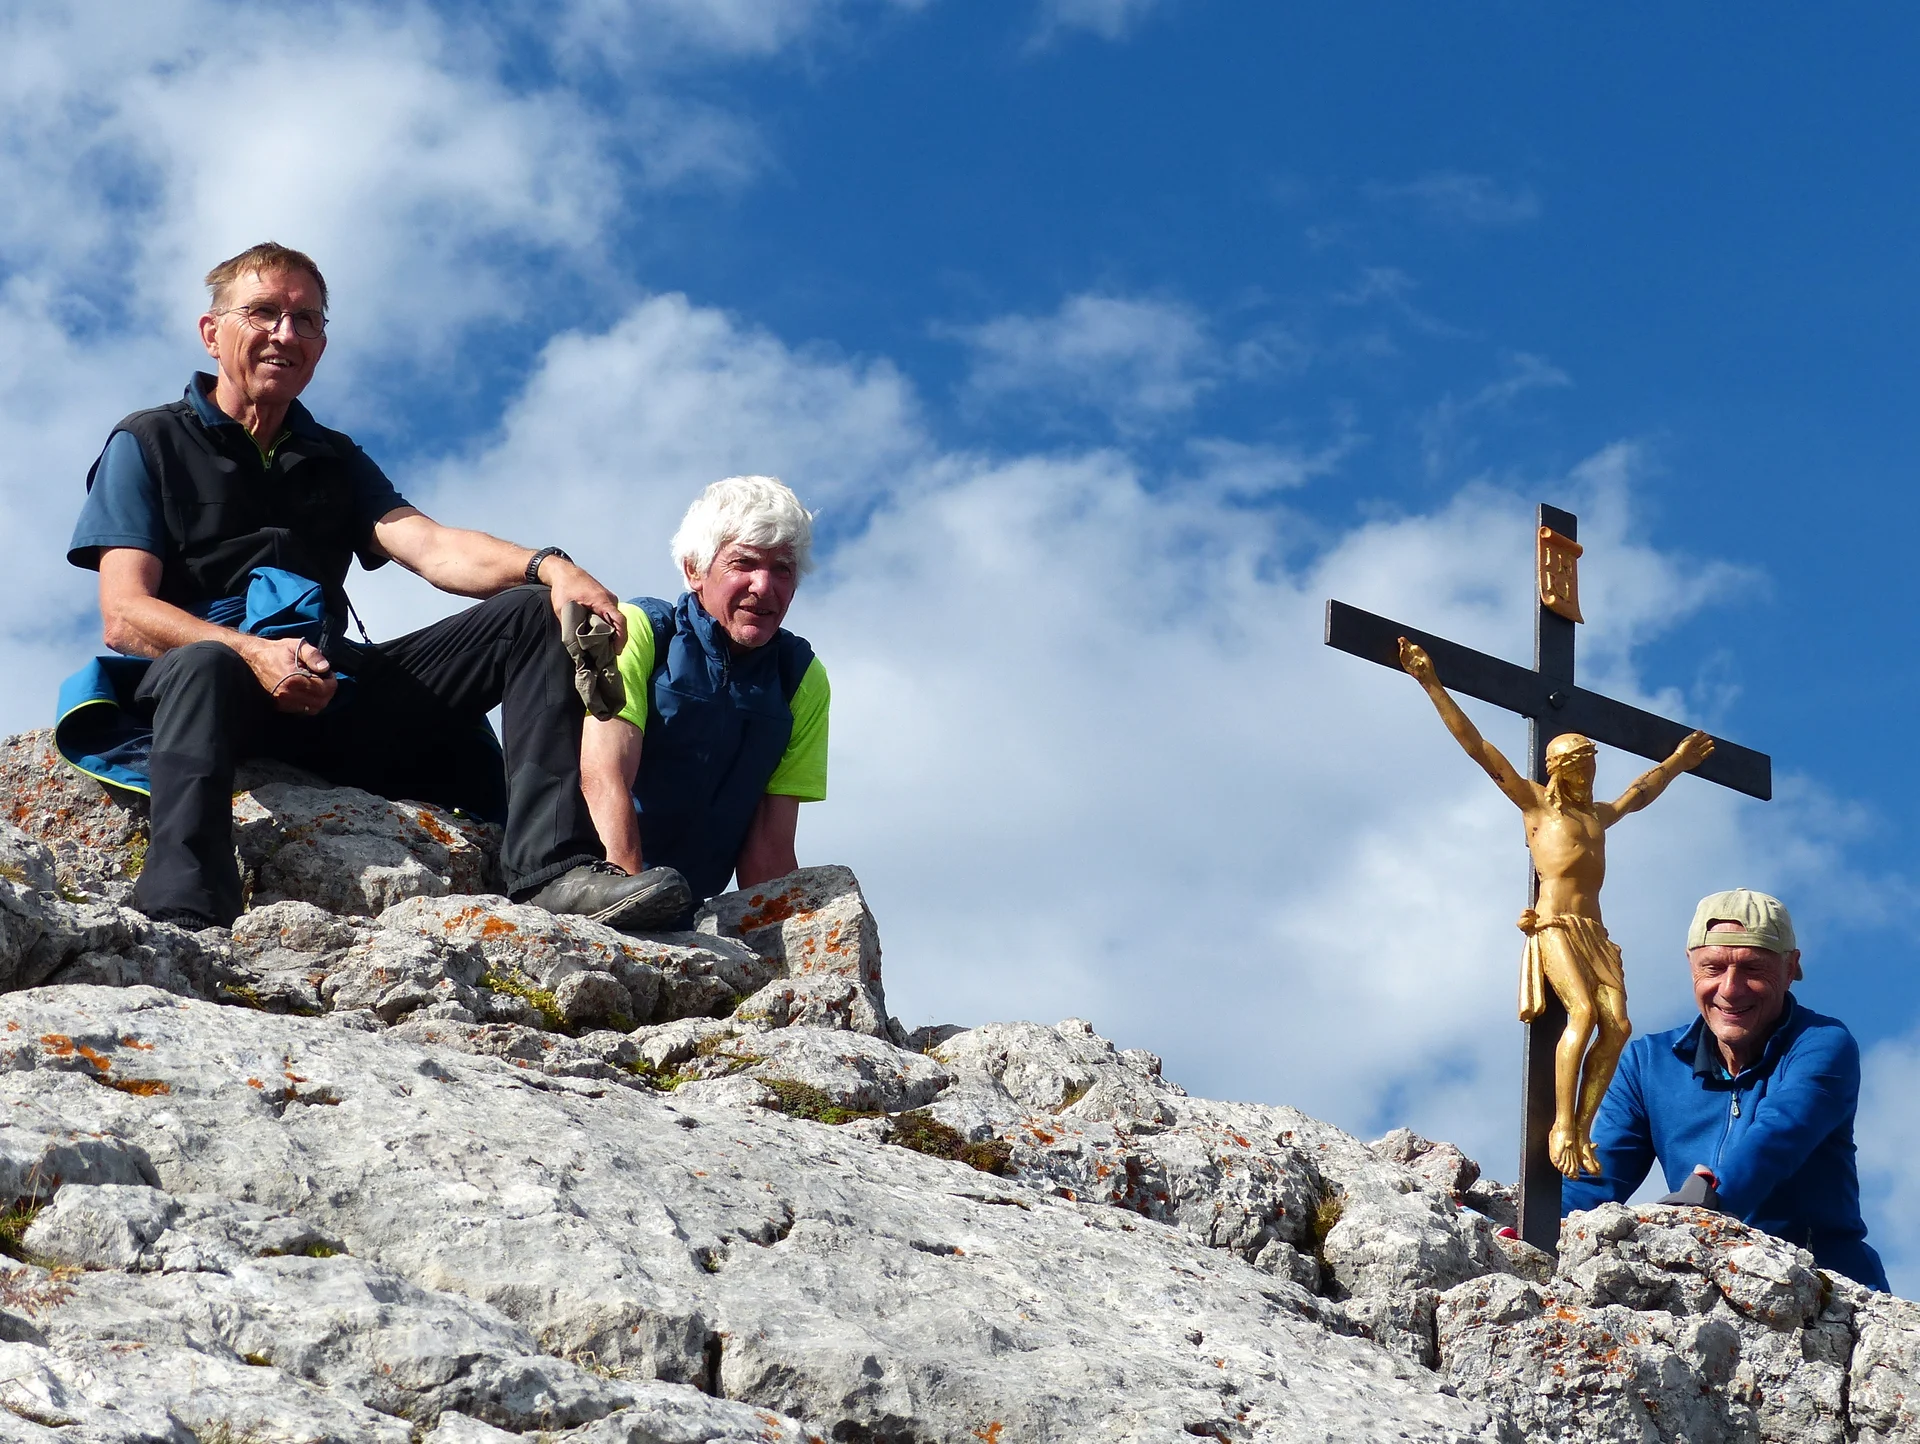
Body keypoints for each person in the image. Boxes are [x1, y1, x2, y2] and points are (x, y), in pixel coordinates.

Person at [64, 241, 686, 932]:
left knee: (530, 613)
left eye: (306, 320)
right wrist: (253, 654)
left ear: (321, 346)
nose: (285, 334)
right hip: (211, 690)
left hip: (328, 687)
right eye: (263, 312)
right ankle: (183, 908)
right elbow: (125, 614)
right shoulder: (149, 440)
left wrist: (552, 567)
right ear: (212, 333)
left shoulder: (332, 457)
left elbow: (430, 545)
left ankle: (552, 870)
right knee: (205, 664)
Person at [1397, 638, 1715, 1178]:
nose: (1588, 775)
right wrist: (1431, 683)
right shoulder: (1536, 806)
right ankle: (1561, 1125)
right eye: (1579, 766)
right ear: (1559, 769)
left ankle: (1583, 1127)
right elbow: (1478, 747)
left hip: (1594, 933)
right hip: (1554, 927)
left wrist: (1679, 762)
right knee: (1583, 1014)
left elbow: (1641, 791)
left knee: (1618, 1026)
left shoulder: (1597, 816)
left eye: (1591, 765)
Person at [1562, 889, 1889, 1292]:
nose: (1730, 989)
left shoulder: (1821, 1043)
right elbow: (1595, 1179)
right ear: (1690, 965)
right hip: (1705, 1288)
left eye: (1752, 968)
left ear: (1790, 968)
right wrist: (1533, 1229)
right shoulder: (1648, 1064)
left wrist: (1710, 1197)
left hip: (1826, 1290)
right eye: (1712, 968)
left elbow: (1780, 1132)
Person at [579, 477, 828, 922]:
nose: (763, 586)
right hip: (593, 881)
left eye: (783, 569)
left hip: (686, 908)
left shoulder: (799, 677)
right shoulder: (640, 630)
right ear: (695, 569)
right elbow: (603, 775)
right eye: (743, 562)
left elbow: (768, 849)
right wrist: (629, 898)